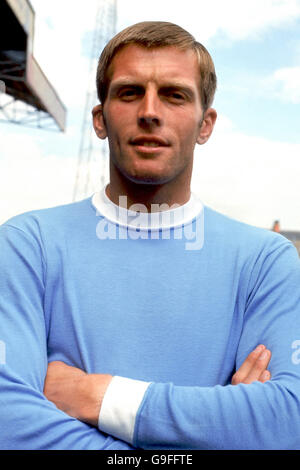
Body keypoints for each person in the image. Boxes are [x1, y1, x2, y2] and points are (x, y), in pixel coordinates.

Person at [0, 21, 300, 450]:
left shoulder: (264, 262)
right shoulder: (27, 246)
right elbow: (8, 424)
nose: (150, 111)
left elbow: (288, 421)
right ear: (100, 119)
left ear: (205, 125)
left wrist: (98, 397)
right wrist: (218, 428)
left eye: (175, 94)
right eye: (129, 92)